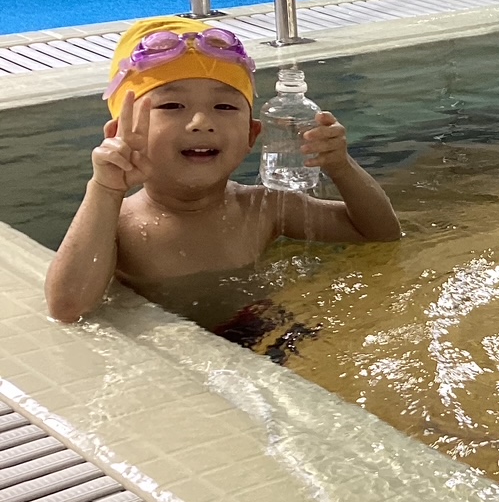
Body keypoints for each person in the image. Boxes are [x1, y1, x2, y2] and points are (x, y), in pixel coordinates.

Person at [45, 16, 401, 324]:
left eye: (225, 106)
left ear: (251, 135)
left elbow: (379, 233)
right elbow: (68, 306)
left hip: (268, 334)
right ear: (118, 134)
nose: (201, 121)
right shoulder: (117, 224)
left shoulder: (263, 208)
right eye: (172, 105)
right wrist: (105, 189)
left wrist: (341, 166)